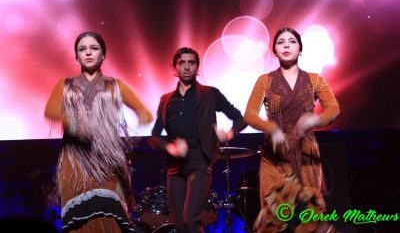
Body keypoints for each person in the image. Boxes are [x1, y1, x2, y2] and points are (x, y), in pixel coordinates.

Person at [44, 31, 153, 232]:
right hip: (74, 163)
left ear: (103, 55)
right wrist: (77, 125)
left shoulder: (115, 86)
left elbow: (145, 113)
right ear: (76, 57)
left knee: (108, 217)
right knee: (79, 224)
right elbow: (50, 111)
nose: (88, 53)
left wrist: (128, 136)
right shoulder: (65, 85)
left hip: (107, 162)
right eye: (82, 49)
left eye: (94, 48)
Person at [244, 27, 340, 232]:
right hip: (275, 155)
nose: (286, 45)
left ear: (300, 48)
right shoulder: (265, 80)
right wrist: (271, 127)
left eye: (291, 41)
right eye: (280, 42)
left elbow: (333, 109)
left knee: (310, 216)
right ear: (274, 50)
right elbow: (250, 114)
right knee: (274, 217)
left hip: (306, 154)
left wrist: (315, 120)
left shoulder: (315, 79)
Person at [149, 47, 246, 233]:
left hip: (200, 160)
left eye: (191, 62)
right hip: (175, 165)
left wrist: (229, 134)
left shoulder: (209, 94)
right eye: (182, 63)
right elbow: (154, 136)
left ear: (197, 67)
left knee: (190, 219)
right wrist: (170, 148)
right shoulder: (166, 100)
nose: (186, 67)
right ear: (174, 68)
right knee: (179, 223)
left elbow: (239, 118)